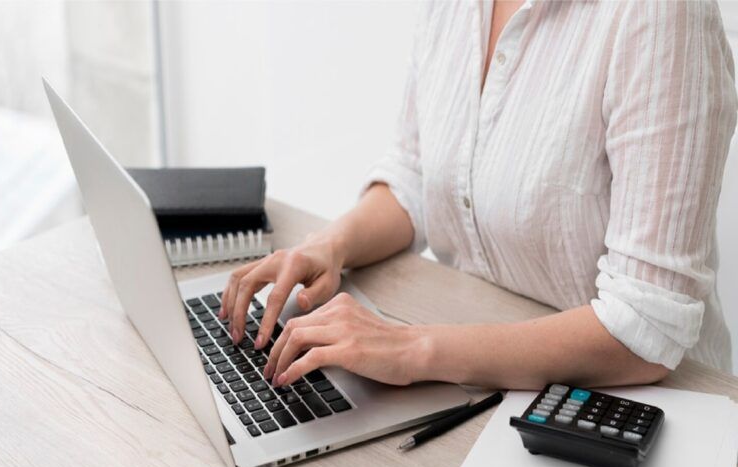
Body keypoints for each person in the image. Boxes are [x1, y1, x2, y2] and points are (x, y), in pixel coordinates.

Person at [219, 0, 737, 390]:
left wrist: (412, 347)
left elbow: (647, 326)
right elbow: (418, 174)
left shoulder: (663, 14)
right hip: (482, 368)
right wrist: (329, 247)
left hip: (640, 402)